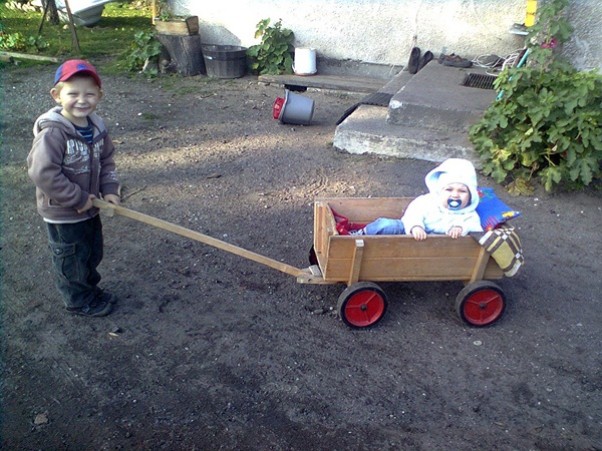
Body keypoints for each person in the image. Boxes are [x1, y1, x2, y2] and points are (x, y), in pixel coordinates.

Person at [27, 59, 121, 317]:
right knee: (72, 258)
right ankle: (78, 300)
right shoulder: (53, 133)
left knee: (91, 252)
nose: (82, 100)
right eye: (73, 93)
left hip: (91, 208)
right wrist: (77, 198)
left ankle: (89, 291)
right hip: (64, 213)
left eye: (89, 93)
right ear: (57, 96)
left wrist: (110, 190)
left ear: (99, 96)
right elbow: (42, 172)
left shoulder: (97, 129)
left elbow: (106, 160)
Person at [351, 158, 483, 240]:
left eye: (462, 191)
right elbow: (413, 213)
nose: (455, 195)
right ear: (439, 190)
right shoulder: (428, 201)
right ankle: (361, 234)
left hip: (440, 244)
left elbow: (476, 229)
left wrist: (461, 228)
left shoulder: (469, 214)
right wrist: (415, 226)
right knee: (386, 225)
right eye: (449, 189)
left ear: (471, 194)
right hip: (412, 232)